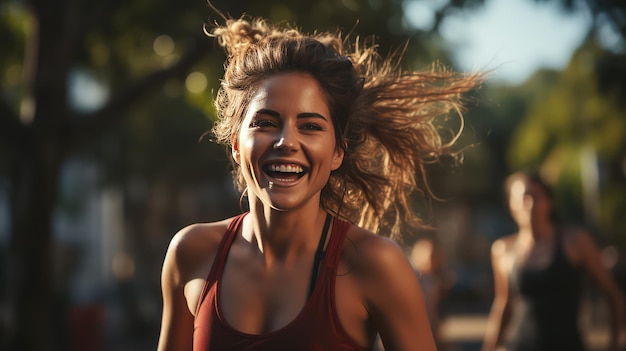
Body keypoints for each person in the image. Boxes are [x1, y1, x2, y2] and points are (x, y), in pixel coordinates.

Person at [157, 11, 483, 351]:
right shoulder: (191, 253)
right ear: (237, 145)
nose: (287, 142)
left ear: (338, 153)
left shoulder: (374, 263)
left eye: (310, 126)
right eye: (265, 122)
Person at [482, 172, 624, 351]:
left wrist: (613, 345)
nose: (531, 204)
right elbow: (503, 304)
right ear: (511, 204)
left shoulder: (575, 243)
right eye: (525, 197)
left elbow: (612, 295)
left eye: (537, 196)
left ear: (550, 202)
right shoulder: (503, 250)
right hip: (519, 346)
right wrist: (488, 347)